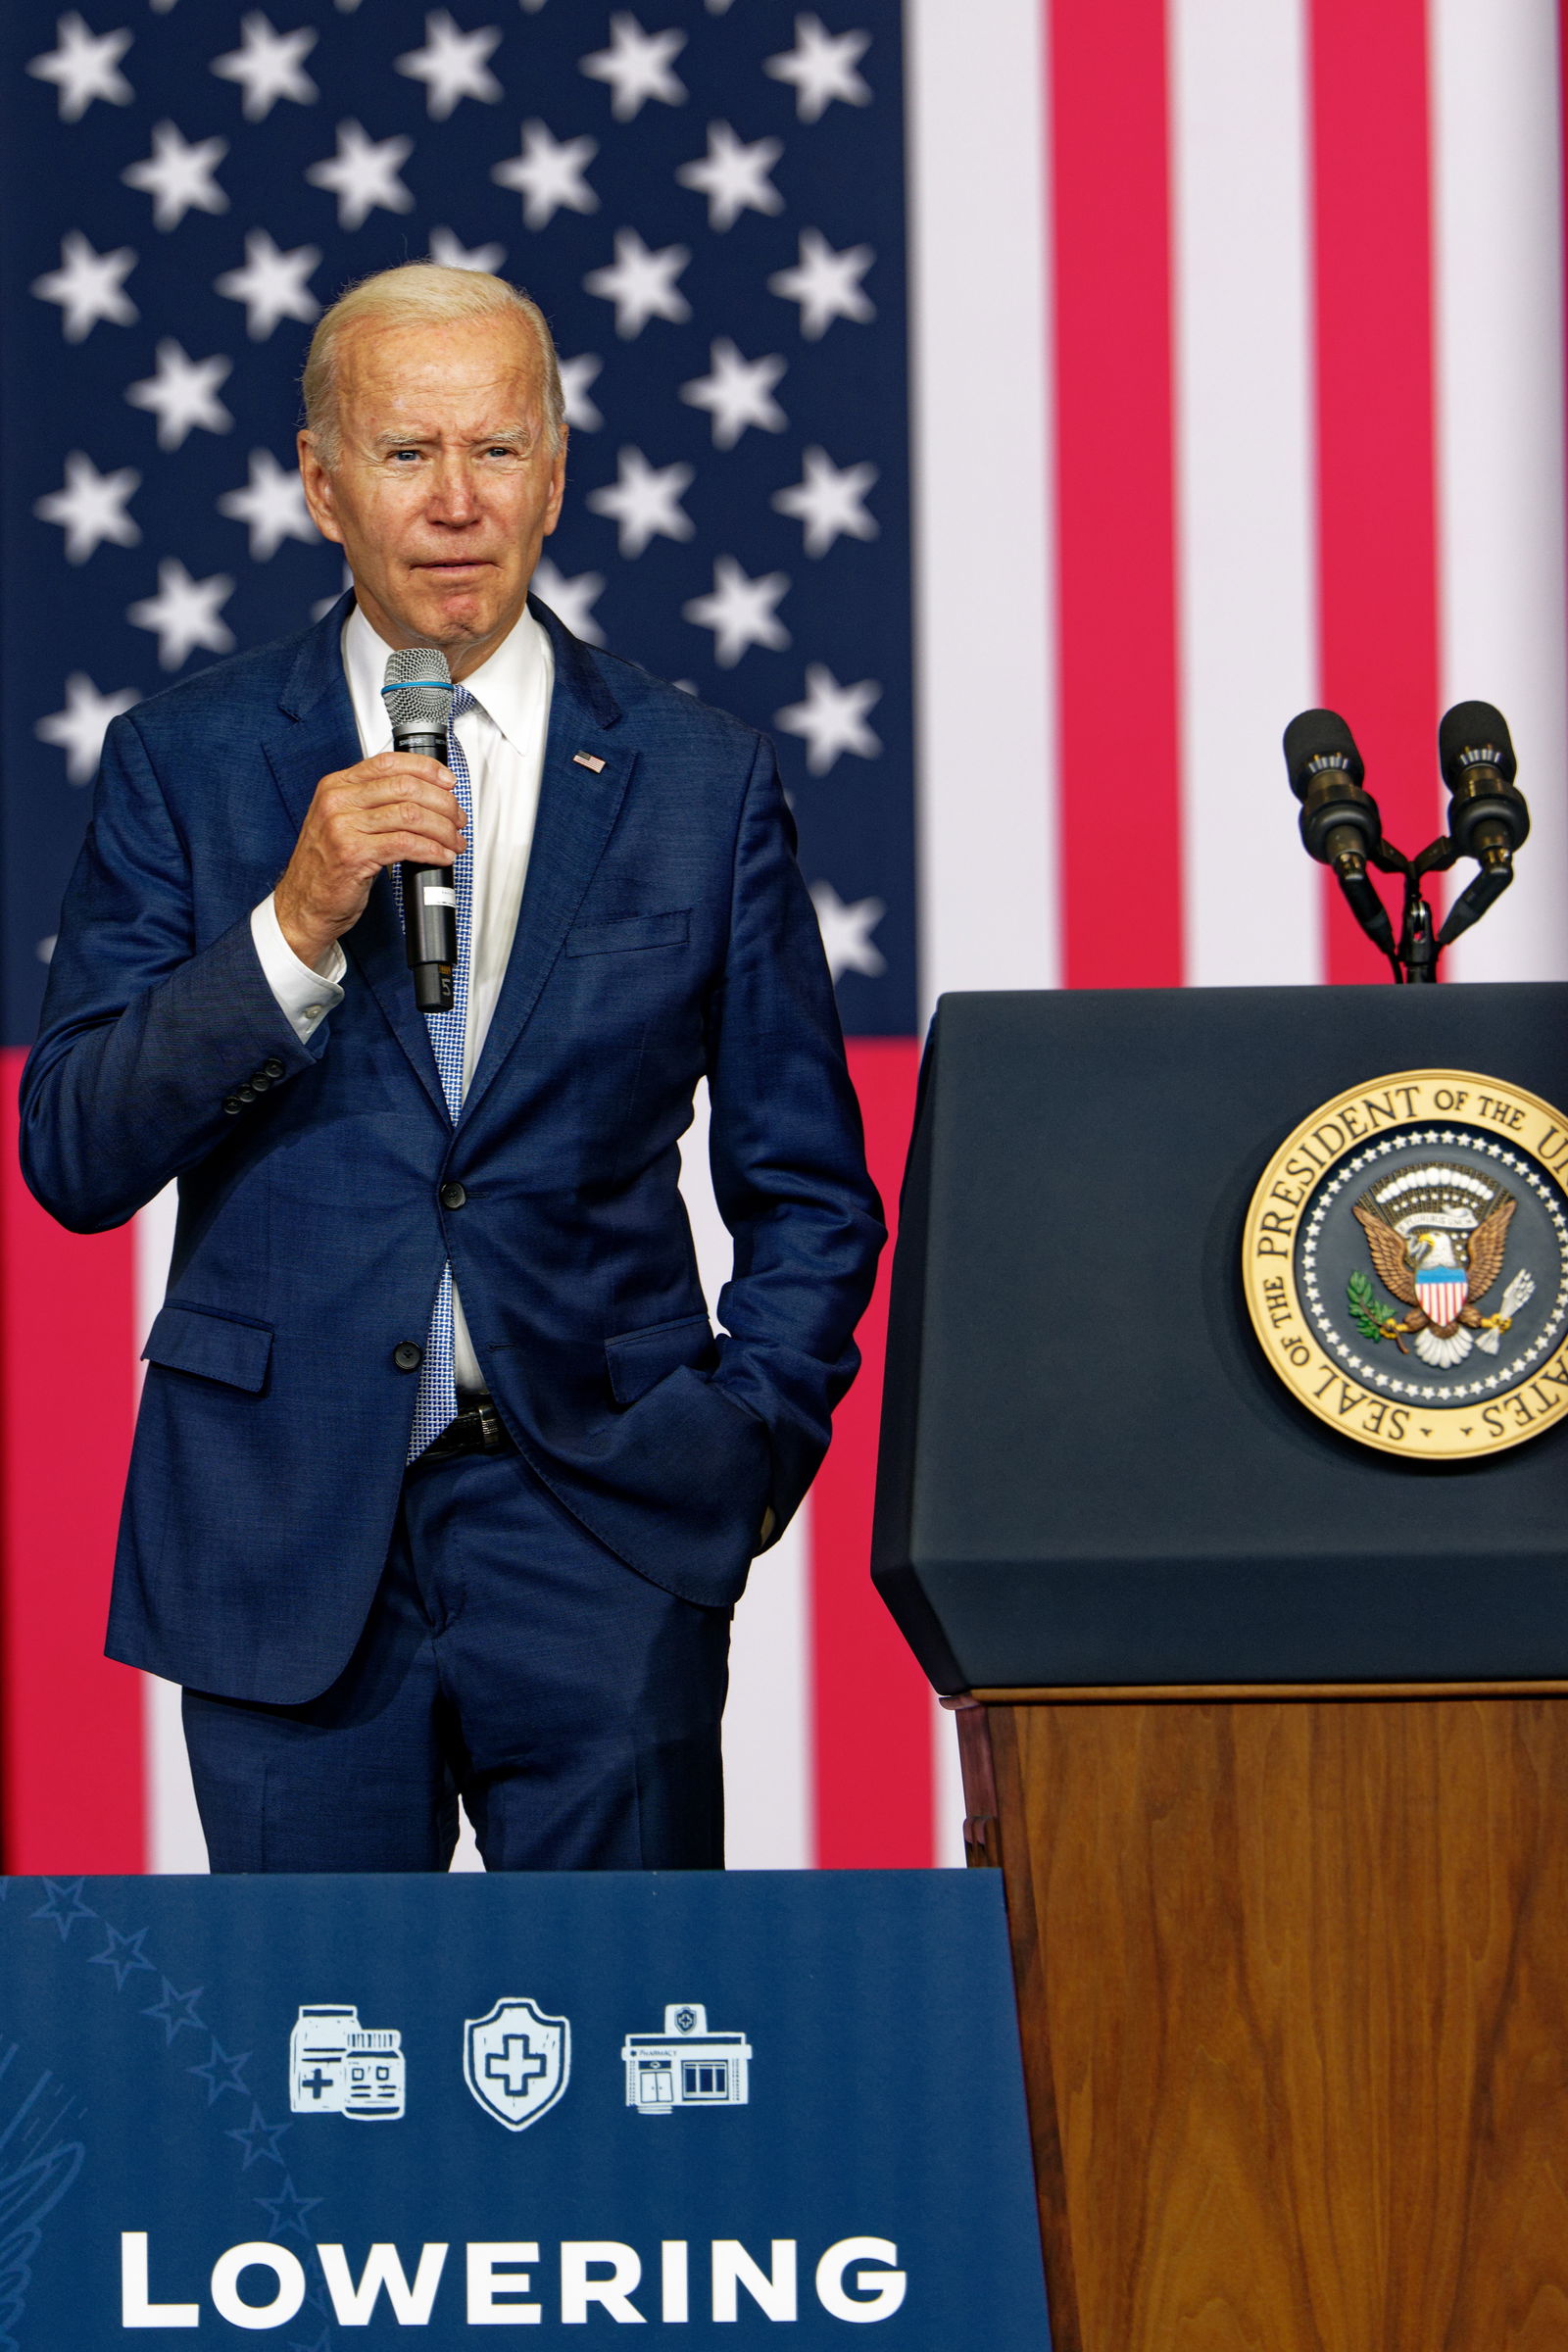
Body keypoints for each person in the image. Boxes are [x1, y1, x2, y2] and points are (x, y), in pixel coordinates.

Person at [20, 264, 883, 1873]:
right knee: (317, 2078)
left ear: (558, 477)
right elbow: (71, 1151)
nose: (456, 501)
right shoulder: (188, 761)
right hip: (284, 1529)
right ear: (320, 482)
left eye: (497, 451)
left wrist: (742, 1451)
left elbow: (810, 1190)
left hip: (604, 1524)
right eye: (407, 454)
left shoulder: (701, 779)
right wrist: (290, 924)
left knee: (629, 2058)